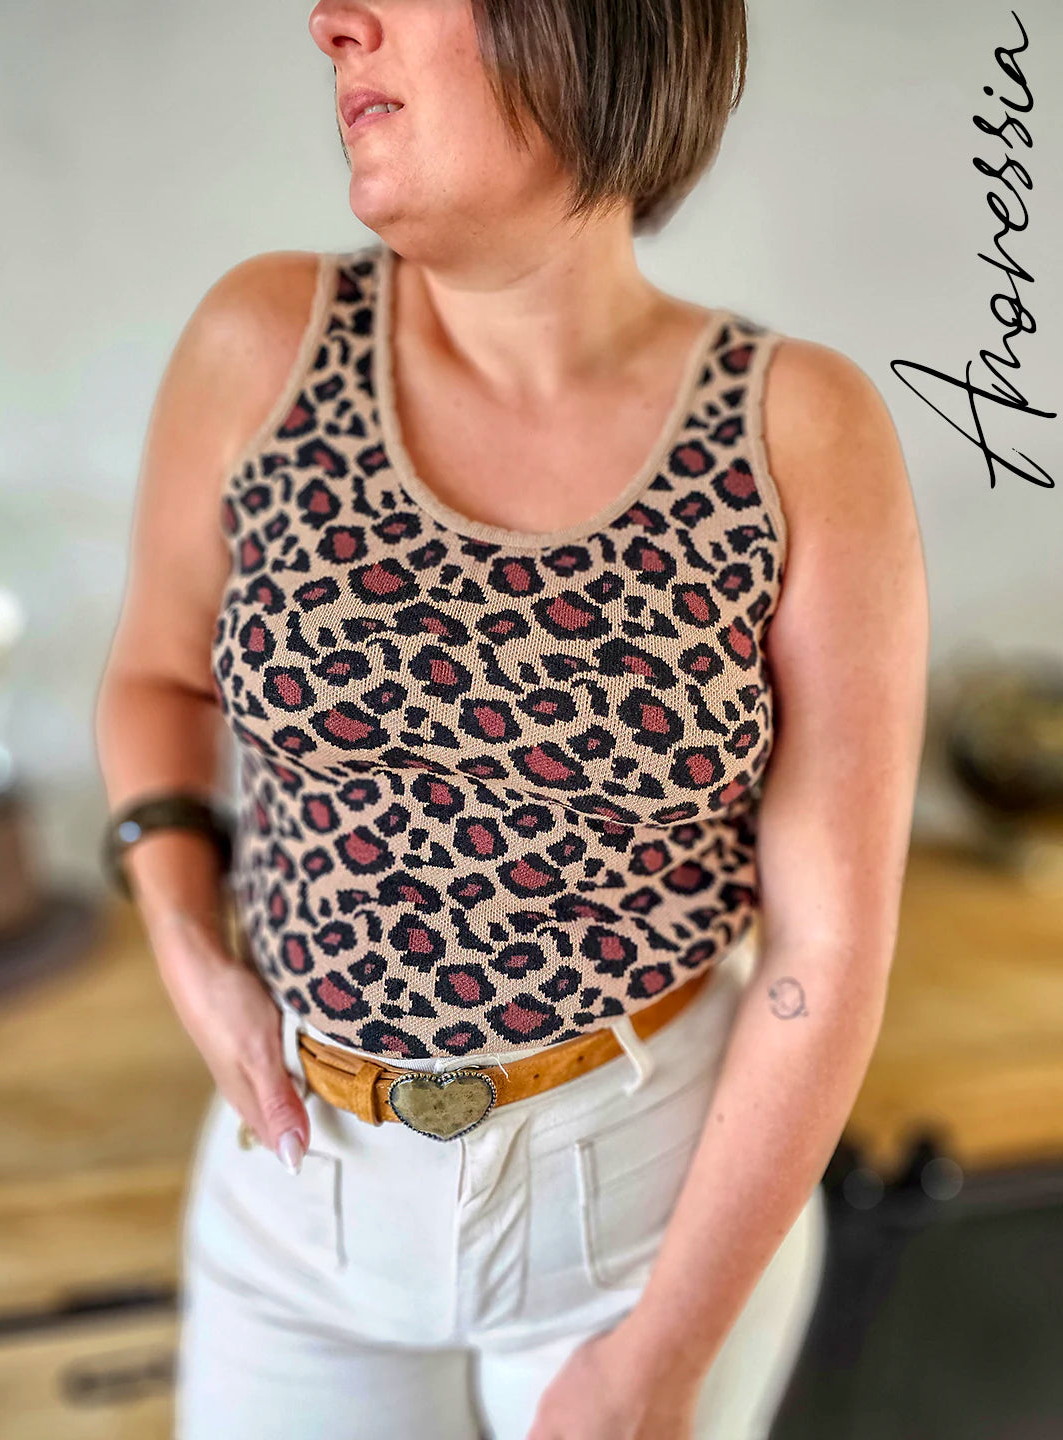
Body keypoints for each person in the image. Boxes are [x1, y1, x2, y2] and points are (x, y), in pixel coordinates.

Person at [93, 2, 929, 1437]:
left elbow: (830, 947)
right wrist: (186, 941)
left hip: (647, 1212)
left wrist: (659, 1361)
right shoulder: (262, 344)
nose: (330, 21)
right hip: (298, 1192)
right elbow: (156, 680)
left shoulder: (801, 431)